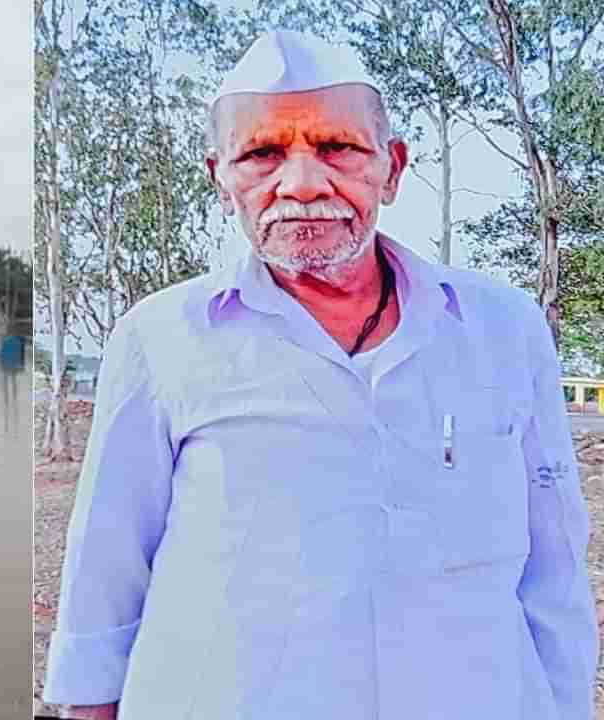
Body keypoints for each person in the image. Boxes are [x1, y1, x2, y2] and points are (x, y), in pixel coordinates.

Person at [42, 30, 596, 720]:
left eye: (337, 148)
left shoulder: (504, 329)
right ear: (220, 177)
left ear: (392, 168)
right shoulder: (161, 337)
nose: (301, 184)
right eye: (263, 153)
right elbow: (106, 562)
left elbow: (556, 570)